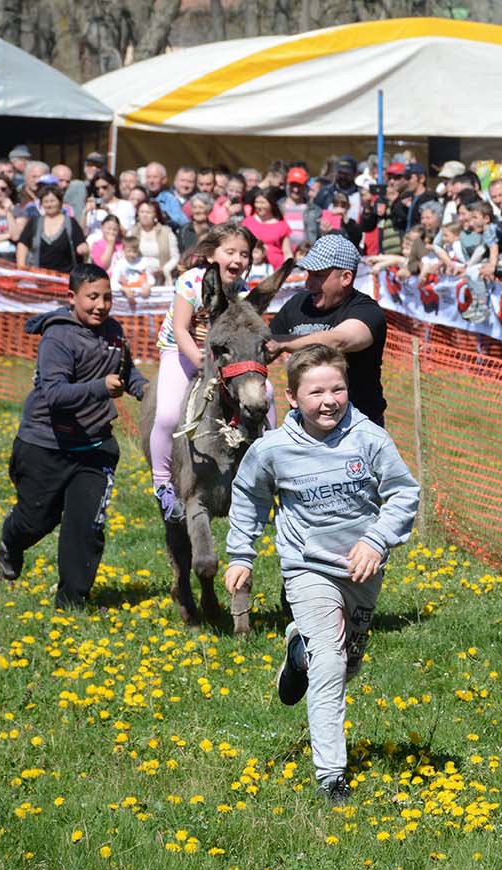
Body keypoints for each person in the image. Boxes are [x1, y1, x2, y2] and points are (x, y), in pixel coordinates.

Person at [223, 344, 419, 803]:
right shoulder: (274, 450)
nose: (329, 400)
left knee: (345, 665)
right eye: (316, 392)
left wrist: (376, 540)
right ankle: (332, 776)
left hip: (362, 570)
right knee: (330, 663)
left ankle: (298, 655)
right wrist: (241, 556)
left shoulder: (369, 439)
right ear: (292, 398)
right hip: (306, 568)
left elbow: (404, 494)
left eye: (338, 389)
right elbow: (248, 496)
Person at [0, 262, 147, 608]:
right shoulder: (58, 336)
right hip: (45, 443)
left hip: (94, 447)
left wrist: (146, 390)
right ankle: (11, 541)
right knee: (37, 519)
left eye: (107, 297)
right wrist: (99, 387)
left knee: (86, 526)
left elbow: (126, 373)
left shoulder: (113, 332)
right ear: (71, 297)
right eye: (92, 297)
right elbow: (53, 393)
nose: (101, 305)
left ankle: (71, 602)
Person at [148, 224, 256, 521]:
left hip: (221, 358)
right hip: (181, 351)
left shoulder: (242, 291)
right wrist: (198, 360)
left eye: (244, 254)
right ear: (211, 254)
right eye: (230, 252)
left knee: (265, 395)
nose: (237, 260)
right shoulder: (190, 281)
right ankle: (162, 485)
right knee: (168, 414)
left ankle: (264, 469)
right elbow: (182, 329)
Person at [270, 233, 389, 426]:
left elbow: (339, 340)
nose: (308, 283)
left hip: (357, 430)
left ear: (346, 277)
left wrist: (282, 342)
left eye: (318, 275)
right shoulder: (297, 305)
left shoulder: (367, 311)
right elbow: (266, 346)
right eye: (308, 273)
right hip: (305, 428)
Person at [16, 187, 86, 272]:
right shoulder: (34, 222)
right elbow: (23, 244)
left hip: (65, 278)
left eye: (52, 201)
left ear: (60, 202)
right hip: (39, 278)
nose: (49, 205)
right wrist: (21, 268)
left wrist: (83, 249)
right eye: (46, 202)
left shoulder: (70, 222)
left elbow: (81, 243)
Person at [127, 199, 180, 275]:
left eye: (148, 212)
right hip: (137, 275)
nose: (144, 215)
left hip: (161, 276)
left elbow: (175, 257)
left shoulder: (166, 232)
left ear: (156, 215)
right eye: (142, 212)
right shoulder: (132, 232)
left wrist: (165, 269)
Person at [244, 190, 293, 269]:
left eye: (263, 203)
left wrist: (288, 268)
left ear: (271, 204)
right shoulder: (247, 222)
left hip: (276, 269)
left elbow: (287, 251)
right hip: (252, 269)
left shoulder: (281, 225)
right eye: (257, 202)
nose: (259, 206)